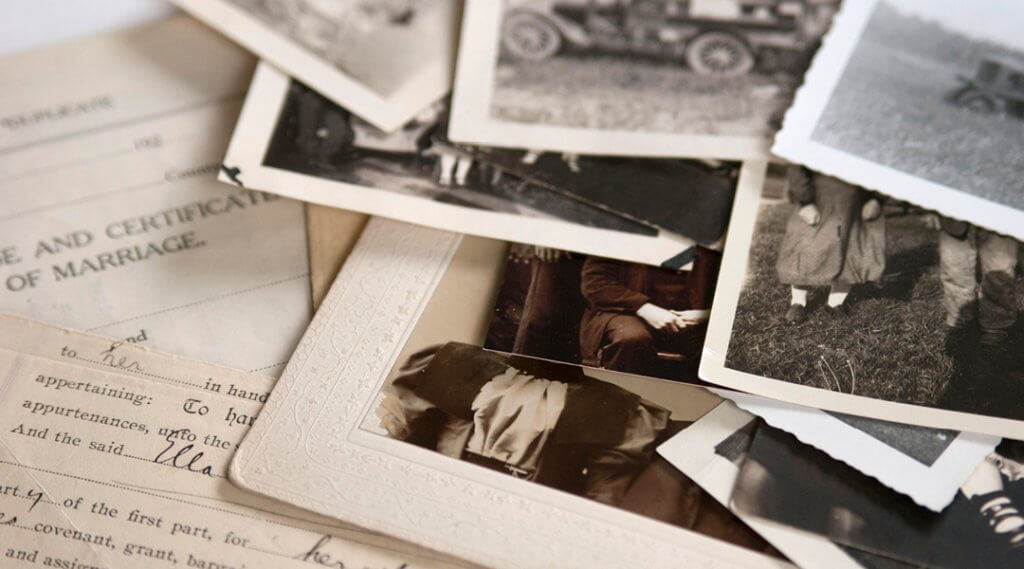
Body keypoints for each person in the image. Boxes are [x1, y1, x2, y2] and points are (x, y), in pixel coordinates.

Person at [578, 249, 720, 380]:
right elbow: (594, 282)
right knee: (631, 339)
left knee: (714, 348)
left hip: (692, 319)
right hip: (627, 312)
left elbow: (736, 291)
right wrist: (644, 308)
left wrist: (708, 314)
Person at [777, 166, 885, 323]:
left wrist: (876, 199)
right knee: (807, 248)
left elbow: (881, 171)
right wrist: (805, 201)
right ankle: (798, 302)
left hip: (855, 199)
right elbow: (797, 168)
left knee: (850, 249)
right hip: (819, 194)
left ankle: (836, 304)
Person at [937, 217, 1019, 346]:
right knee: (955, 268)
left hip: (999, 212)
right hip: (955, 211)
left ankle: (996, 325)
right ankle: (958, 319)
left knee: (999, 272)